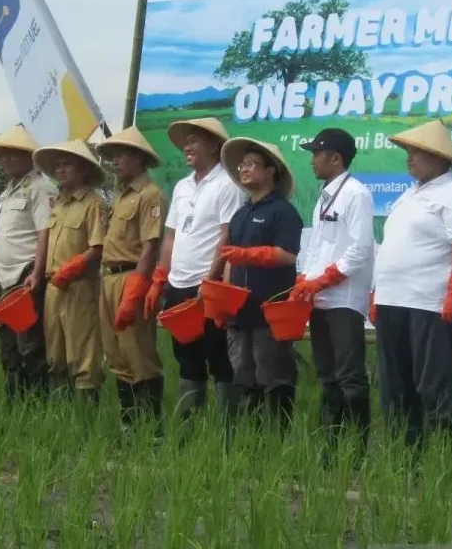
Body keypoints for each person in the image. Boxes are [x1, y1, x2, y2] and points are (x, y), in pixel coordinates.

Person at [372, 120, 452, 449]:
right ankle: (405, 462)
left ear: (438, 157)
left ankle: (448, 463)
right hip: (394, 301)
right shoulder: (409, 194)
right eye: (408, 152)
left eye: (417, 152)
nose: (409, 158)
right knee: (395, 386)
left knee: (436, 384)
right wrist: (378, 294)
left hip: (429, 304)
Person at [144, 117, 245, 423]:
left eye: (194, 141)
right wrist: (161, 277)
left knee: (219, 356)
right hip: (179, 284)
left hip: (208, 286)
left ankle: (228, 429)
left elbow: (227, 236)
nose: (187, 147)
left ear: (214, 145)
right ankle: (188, 426)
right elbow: (171, 236)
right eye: (185, 142)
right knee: (186, 355)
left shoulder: (228, 184)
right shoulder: (182, 186)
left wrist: (211, 279)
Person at [289, 128, 375, 461]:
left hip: (343, 299)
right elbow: (315, 245)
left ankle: (357, 452)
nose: (312, 160)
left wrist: (323, 280)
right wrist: (303, 279)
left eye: (316, 154)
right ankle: (329, 448)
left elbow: (360, 249)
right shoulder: (326, 194)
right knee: (326, 375)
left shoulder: (356, 194)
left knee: (350, 374)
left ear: (335, 158)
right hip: (320, 298)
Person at [219, 137, 303, 433]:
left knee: (274, 376)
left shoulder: (283, 212)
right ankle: (252, 441)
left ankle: (279, 439)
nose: (244, 169)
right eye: (243, 164)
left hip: (270, 310)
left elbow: (287, 255)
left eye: (253, 164)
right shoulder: (241, 214)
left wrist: (250, 255)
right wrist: (224, 301)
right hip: (240, 313)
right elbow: (230, 259)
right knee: (244, 375)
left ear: (271, 171)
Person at [95, 126, 166, 431]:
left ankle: (152, 429)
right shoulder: (120, 196)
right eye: (112, 156)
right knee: (117, 354)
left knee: (139, 354)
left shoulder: (150, 195)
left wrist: (137, 289)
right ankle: (129, 423)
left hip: (131, 277)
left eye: (121, 155)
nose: (115, 161)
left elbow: (150, 246)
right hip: (109, 279)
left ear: (139, 159)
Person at [0, 125, 58, 399]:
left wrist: (38, 273)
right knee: (8, 343)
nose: (6, 160)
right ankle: (16, 402)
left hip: (25, 276)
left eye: (13, 154)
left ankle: (36, 403)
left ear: (29, 156)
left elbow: (44, 232)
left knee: (30, 343)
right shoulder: (7, 191)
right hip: (4, 276)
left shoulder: (41, 187)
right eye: (3, 156)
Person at [32, 139, 107, 403]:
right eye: (58, 165)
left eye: (68, 165)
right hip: (54, 286)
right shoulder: (58, 204)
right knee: (56, 349)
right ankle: (60, 411)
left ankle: (87, 411)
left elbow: (97, 247)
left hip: (79, 286)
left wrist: (72, 268)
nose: (61, 170)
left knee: (83, 350)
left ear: (84, 169)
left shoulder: (93, 203)